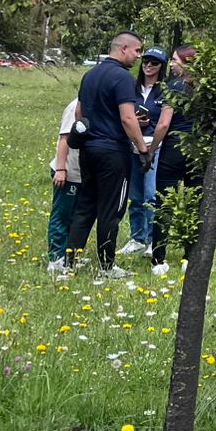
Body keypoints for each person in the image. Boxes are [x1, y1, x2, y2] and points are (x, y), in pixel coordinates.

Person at [64, 31, 153, 278]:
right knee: (111, 209)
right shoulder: (122, 78)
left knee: (85, 205)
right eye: (137, 51)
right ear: (124, 48)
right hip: (113, 151)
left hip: (88, 148)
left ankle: (69, 262)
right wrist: (143, 150)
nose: (139, 57)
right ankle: (107, 266)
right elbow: (127, 117)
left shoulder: (90, 74)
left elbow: (80, 113)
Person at [149, 44, 203, 276]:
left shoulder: (173, 86)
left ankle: (159, 258)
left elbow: (163, 123)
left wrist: (151, 149)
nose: (170, 64)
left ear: (185, 62)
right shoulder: (204, 87)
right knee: (193, 203)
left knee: (165, 202)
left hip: (174, 148)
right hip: (198, 150)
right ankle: (189, 256)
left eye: (174, 60)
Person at [121, 46, 167, 257]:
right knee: (136, 195)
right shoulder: (132, 87)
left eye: (154, 63)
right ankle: (137, 237)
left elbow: (167, 122)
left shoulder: (165, 90)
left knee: (151, 194)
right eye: (146, 61)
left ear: (162, 67)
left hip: (153, 146)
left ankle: (151, 239)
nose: (148, 66)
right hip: (132, 144)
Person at [46, 97, 82, 274]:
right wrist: (61, 169)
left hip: (83, 173)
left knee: (77, 216)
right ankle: (56, 258)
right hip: (68, 171)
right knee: (62, 214)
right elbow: (64, 138)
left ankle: (71, 255)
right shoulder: (75, 107)